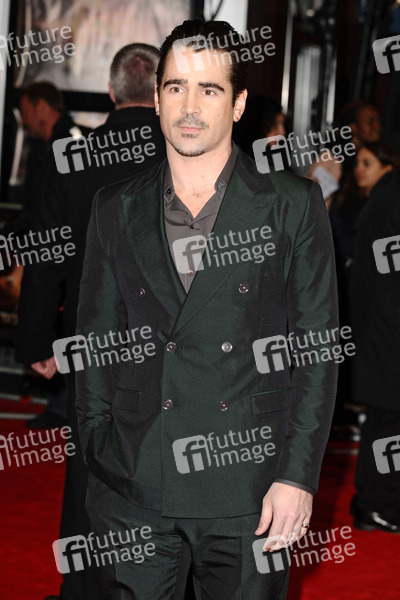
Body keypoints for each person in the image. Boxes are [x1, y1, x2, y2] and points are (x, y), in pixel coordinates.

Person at [74, 19, 338, 600]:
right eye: (175, 87)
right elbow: (96, 341)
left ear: (238, 104)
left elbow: (317, 352)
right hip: (135, 481)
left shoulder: (292, 205)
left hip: (250, 488)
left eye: (209, 89)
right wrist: (98, 443)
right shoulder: (115, 206)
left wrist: (297, 476)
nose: (189, 107)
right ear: (157, 97)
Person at [16, 44, 167, 600]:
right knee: (164, 460)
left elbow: (46, 252)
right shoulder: (185, 150)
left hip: (92, 340)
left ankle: (83, 585)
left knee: (87, 459)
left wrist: (37, 340)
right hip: (170, 341)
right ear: (160, 93)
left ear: (110, 92)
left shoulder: (74, 157)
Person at [349, 141, 400, 533]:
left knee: (384, 421)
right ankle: (375, 504)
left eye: (367, 162)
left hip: (378, 329)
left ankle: (375, 503)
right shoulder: (390, 200)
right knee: (387, 423)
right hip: (386, 331)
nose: (358, 170)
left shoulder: (383, 200)